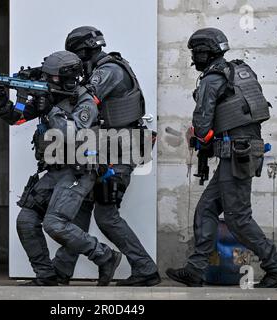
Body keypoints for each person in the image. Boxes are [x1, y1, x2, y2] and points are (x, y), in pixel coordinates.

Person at [166, 28, 277, 288]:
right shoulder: (236, 70)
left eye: (195, 52)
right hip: (240, 151)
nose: (193, 58)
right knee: (206, 210)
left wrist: (201, 142)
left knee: (238, 218)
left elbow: (202, 119)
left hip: (236, 154)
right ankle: (196, 270)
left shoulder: (212, 78)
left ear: (204, 52)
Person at [0, 50, 122, 286]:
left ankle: (105, 256)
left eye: (50, 78)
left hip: (80, 171)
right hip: (55, 170)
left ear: (66, 78)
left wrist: (50, 108)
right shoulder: (50, 96)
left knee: (54, 223)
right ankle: (46, 275)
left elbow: (71, 136)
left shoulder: (85, 101)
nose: (46, 81)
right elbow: (17, 118)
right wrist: (2, 102)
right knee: (26, 220)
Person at [51, 26, 161, 287]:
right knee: (80, 210)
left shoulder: (108, 71)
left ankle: (145, 268)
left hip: (120, 150)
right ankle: (61, 270)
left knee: (106, 215)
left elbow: (86, 98)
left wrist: (54, 87)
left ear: (83, 51)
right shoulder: (103, 68)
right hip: (106, 149)